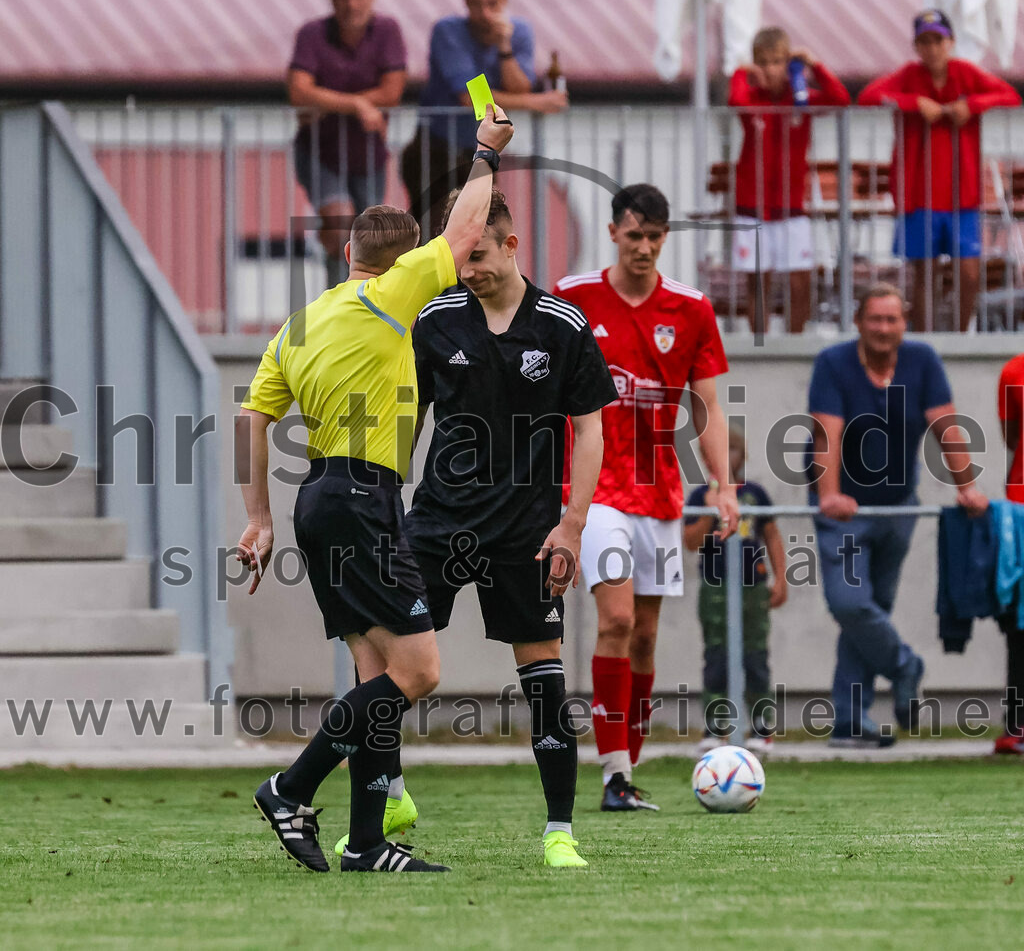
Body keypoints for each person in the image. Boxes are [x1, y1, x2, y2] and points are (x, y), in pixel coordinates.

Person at [237, 103, 515, 873]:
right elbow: (462, 233)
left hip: (316, 502)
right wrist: (484, 151)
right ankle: (290, 790)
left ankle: (364, 844)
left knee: (373, 673)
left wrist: (257, 517)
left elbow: (250, 414)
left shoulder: (304, 319)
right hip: (364, 499)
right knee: (419, 672)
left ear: (350, 251)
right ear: (396, 265)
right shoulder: (388, 297)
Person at [331, 187, 616, 868]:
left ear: (513, 246)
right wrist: (381, 498)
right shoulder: (435, 319)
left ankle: (559, 832)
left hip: (527, 531)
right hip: (435, 523)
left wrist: (571, 527)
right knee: (388, 664)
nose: (470, 268)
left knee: (544, 679)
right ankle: (390, 794)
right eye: (462, 258)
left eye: (481, 255)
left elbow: (590, 430)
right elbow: (407, 414)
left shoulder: (562, 326)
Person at [554, 183, 739, 810]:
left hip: (660, 494)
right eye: (634, 235)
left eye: (655, 236)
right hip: (595, 490)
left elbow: (708, 404)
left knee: (645, 638)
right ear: (612, 233)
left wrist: (724, 484)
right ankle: (610, 774)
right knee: (618, 619)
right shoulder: (574, 297)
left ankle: (624, 771)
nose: (645, 247)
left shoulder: (690, 310)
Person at [808, 284, 988, 748]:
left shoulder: (922, 361)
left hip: (898, 507)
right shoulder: (834, 364)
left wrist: (966, 487)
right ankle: (906, 666)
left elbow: (946, 427)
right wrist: (830, 496)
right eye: (875, 320)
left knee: (871, 611)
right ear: (859, 322)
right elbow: (825, 435)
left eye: (892, 320)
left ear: (904, 323)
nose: (884, 329)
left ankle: (850, 721)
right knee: (850, 604)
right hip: (845, 513)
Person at [858, 9, 1021, 332]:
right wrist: (915, 103)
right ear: (916, 46)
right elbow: (868, 96)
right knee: (924, 273)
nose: (932, 48)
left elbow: (1010, 95)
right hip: (919, 193)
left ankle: (959, 334)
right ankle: (923, 338)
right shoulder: (908, 76)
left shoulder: (966, 73)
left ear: (951, 43)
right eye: (924, 41)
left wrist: (972, 105)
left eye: (938, 40)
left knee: (970, 272)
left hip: (964, 194)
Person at [401, 0, 567, 237]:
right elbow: (472, 98)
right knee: (433, 235)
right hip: (436, 148)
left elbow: (520, 87)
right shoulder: (448, 31)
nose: (485, 13)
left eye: (493, 4)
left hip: (480, 150)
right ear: (465, 2)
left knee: (482, 231)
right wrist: (537, 102)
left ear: (505, 0)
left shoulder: (517, 32)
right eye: (477, 4)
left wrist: (504, 48)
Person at [288, 0, 407, 283]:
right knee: (341, 222)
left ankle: (363, 303)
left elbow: (392, 91)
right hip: (320, 150)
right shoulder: (313, 33)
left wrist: (328, 100)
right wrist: (357, 104)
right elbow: (299, 92)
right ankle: (339, 297)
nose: (351, 4)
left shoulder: (387, 30)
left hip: (369, 154)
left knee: (370, 238)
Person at [728, 26, 850, 334]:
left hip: (791, 203)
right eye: (764, 62)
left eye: (778, 61)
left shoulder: (801, 99)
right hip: (751, 203)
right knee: (758, 280)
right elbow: (736, 100)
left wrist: (814, 65)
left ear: (789, 63)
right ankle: (762, 343)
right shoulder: (752, 98)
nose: (771, 69)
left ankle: (795, 340)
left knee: (799, 280)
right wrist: (741, 73)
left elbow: (840, 98)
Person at [684, 427, 787, 755]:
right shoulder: (699, 496)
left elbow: (771, 535)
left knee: (755, 655)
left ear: (742, 455)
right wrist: (710, 511)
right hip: (714, 587)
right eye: (717, 452)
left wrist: (780, 578)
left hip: (752, 586)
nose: (725, 458)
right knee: (716, 655)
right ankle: (716, 727)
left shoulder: (754, 494)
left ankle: (761, 727)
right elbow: (690, 542)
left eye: (732, 451)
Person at [995, 354, 1024, 754]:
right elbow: (1011, 435)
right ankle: (1017, 725)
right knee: (1021, 623)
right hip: (1022, 508)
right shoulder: (1015, 370)